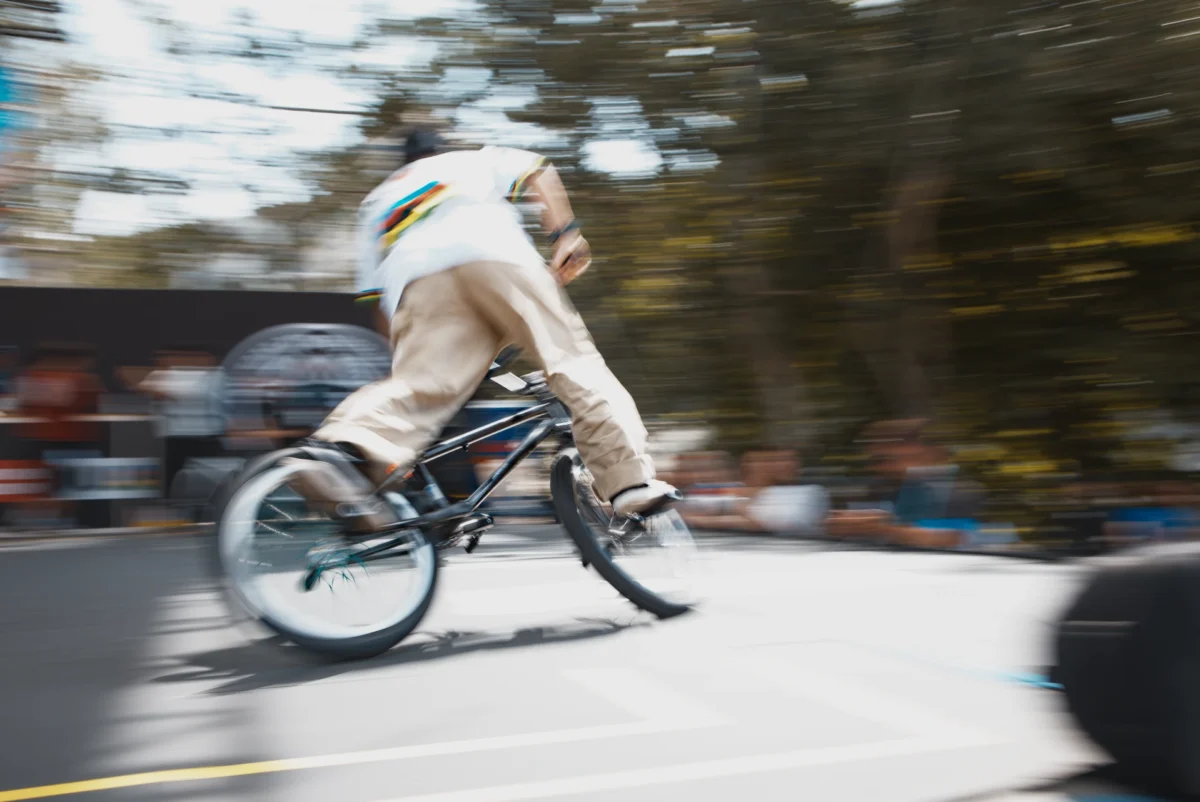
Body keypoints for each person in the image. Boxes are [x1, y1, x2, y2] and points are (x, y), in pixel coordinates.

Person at [288, 130, 676, 532]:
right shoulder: (469, 160)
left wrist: (405, 359)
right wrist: (565, 235)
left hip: (420, 283)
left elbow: (375, 299)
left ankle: (339, 450)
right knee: (570, 361)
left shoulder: (377, 201)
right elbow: (537, 169)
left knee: (421, 387)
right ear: (438, 151)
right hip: (496, 255)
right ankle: (627, 481)